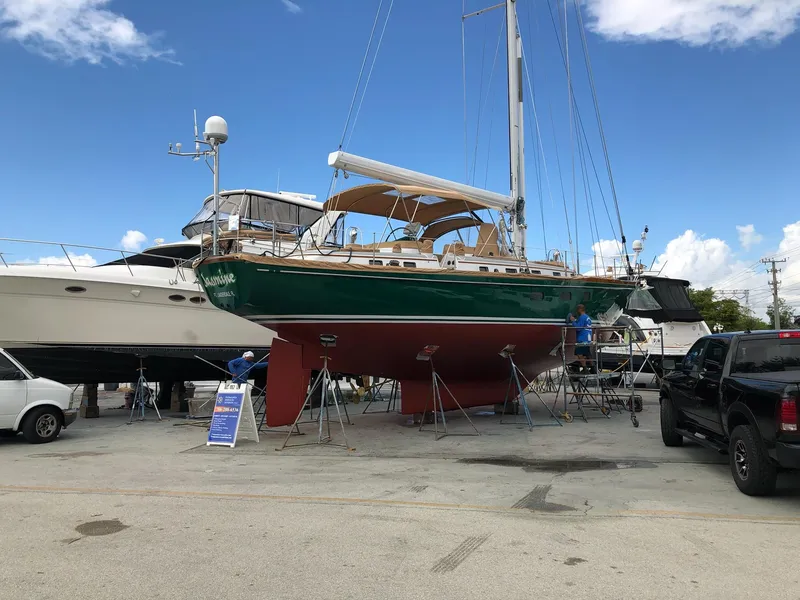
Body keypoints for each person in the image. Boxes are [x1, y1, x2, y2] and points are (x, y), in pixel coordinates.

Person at [567, 304, 593, 372]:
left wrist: (573, 321)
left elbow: (578, 328)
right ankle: (593, 368)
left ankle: (585, 369)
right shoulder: (587, 317)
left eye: (577, 309)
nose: (577, 311)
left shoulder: (582, 317)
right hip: (588, 338)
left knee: (579, 353)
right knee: (587, 353)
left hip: (582, 338)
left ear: (580, 309)